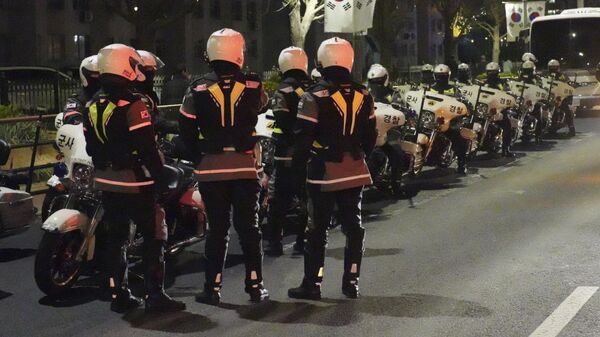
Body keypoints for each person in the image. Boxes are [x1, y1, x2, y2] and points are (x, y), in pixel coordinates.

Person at [83, 44, 185, 314]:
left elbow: (92, 147)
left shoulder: (92, 103)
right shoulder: (133, 104)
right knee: (154, 237)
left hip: (106, 181)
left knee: (117, 239)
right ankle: (155, 295)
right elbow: (148, 150)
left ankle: (119, 294)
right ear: (124, 65)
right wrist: (161, 181)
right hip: (136, 183)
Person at [178, 28, 269, 305]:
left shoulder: (196, 87)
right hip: (244, 166)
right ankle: (255, 286)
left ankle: (212, 288)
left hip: (211, 169)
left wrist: (199, 158)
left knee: (217, 230)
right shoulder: (254, 85)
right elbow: (262, 107)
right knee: (249, 228)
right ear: (238, 53)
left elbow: (186, 130)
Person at [287, 37, 377, 300]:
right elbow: (370, 136)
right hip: (355, 169)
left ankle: (312, 284)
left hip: (323, 172)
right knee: (354, 228)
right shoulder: (364, 94)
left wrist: (298, 171)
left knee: (317, 229)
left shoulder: (313, 96)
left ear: (322, 61)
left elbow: (303, 139)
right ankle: (351, 282)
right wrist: (358, 155)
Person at [264, 46, 312, 257]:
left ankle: (275, 243)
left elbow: (281, 120)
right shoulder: (313, 88)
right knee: (305, 199)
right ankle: (302, 241)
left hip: (285, 153)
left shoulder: (283, 90)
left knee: (278, 200)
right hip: (308, 154)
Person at [430, 64, 469, 174]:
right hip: (432, 120)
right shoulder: (429, 89)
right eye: (438, 76)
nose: (440, 78)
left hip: (450, 120)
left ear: (448, 76)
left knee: (459, 139)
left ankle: (462, 164)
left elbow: (462, 102)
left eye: (443, 76)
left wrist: (464, 109)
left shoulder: (454, 89)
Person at [484, 62, 514, 157]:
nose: (492, 74)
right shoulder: (484, 84)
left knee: (507, 125)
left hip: (498, 108)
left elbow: (508, 93)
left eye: (493, 72)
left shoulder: (503, 83)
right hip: (485, 108)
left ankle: (506, 148)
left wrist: (509, 99)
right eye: (490, 72)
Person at [62, 55, 100, 125]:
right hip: (87, 134)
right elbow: (71, 118)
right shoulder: (78, 99)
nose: (98, 80)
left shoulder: (113, 94)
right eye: (94, 76)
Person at [547, 59, 575, 136]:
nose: (553, 69)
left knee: (566, 109)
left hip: (561, 96)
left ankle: (572, 128)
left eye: (554, 67)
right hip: (549, 95)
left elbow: (568, 83)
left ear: (558, 67)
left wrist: (569, 85)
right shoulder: (546, 75)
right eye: (551, 67)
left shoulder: (562, 75)